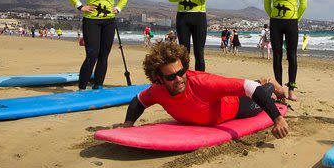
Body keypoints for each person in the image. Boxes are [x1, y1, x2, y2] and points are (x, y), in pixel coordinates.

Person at [121, 41, 289, 139]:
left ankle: (270, 84)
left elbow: (251, 89)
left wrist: (278, 119)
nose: (178, 79)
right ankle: (262, 80)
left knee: (262, 91)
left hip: (238, 106)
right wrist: (128, 125)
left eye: (181, 72)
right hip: (221, 101)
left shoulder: (204, 83)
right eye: (171, 77)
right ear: (159, 78)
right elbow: (139, 100)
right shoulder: (157, 90)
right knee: (251, 85)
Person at [65, 0, 129, 90]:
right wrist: (80, 6)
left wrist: (117, 8)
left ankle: (98, 85)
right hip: (91, 21)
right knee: (92, 54)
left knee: (104, 55)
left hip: (109, 21)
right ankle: (82, 87)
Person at [264, 0, 307, 101]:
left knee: (292, 56)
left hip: (291, 22)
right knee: (276, 56)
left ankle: (291, 90)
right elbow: (266, 3)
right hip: (275, 22)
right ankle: (278, 90)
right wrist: (273, 16)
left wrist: (295, 18)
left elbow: (304, 3)